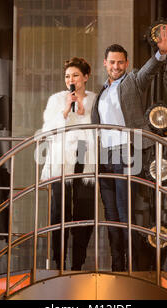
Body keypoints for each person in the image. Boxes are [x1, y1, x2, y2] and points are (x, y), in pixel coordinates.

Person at [91, 25, 167, 271]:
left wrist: (161, 53)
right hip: (105, 155)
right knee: (111, 214)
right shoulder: (103, 92)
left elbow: (148, 71)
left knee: (124, 210)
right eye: (111, 63)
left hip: (126, 151)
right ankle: (117, 266)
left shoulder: (132, 81)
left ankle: (131, 268)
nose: (116, 67)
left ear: (126, 64)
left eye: (120, 63)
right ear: (105, 64)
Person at [40, 57, 96, 270]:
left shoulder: (94, 99)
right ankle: (59, 261)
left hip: (85, 156)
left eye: (75, 75)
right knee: (59, 210)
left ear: (85, 77)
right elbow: (47, 131)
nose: (70, 79)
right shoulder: (56, 99)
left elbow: (99, 128)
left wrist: (83, 113)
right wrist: (66, 110)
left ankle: (78, 264)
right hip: (62, 159)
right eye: (67, 76)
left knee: (84, 209)